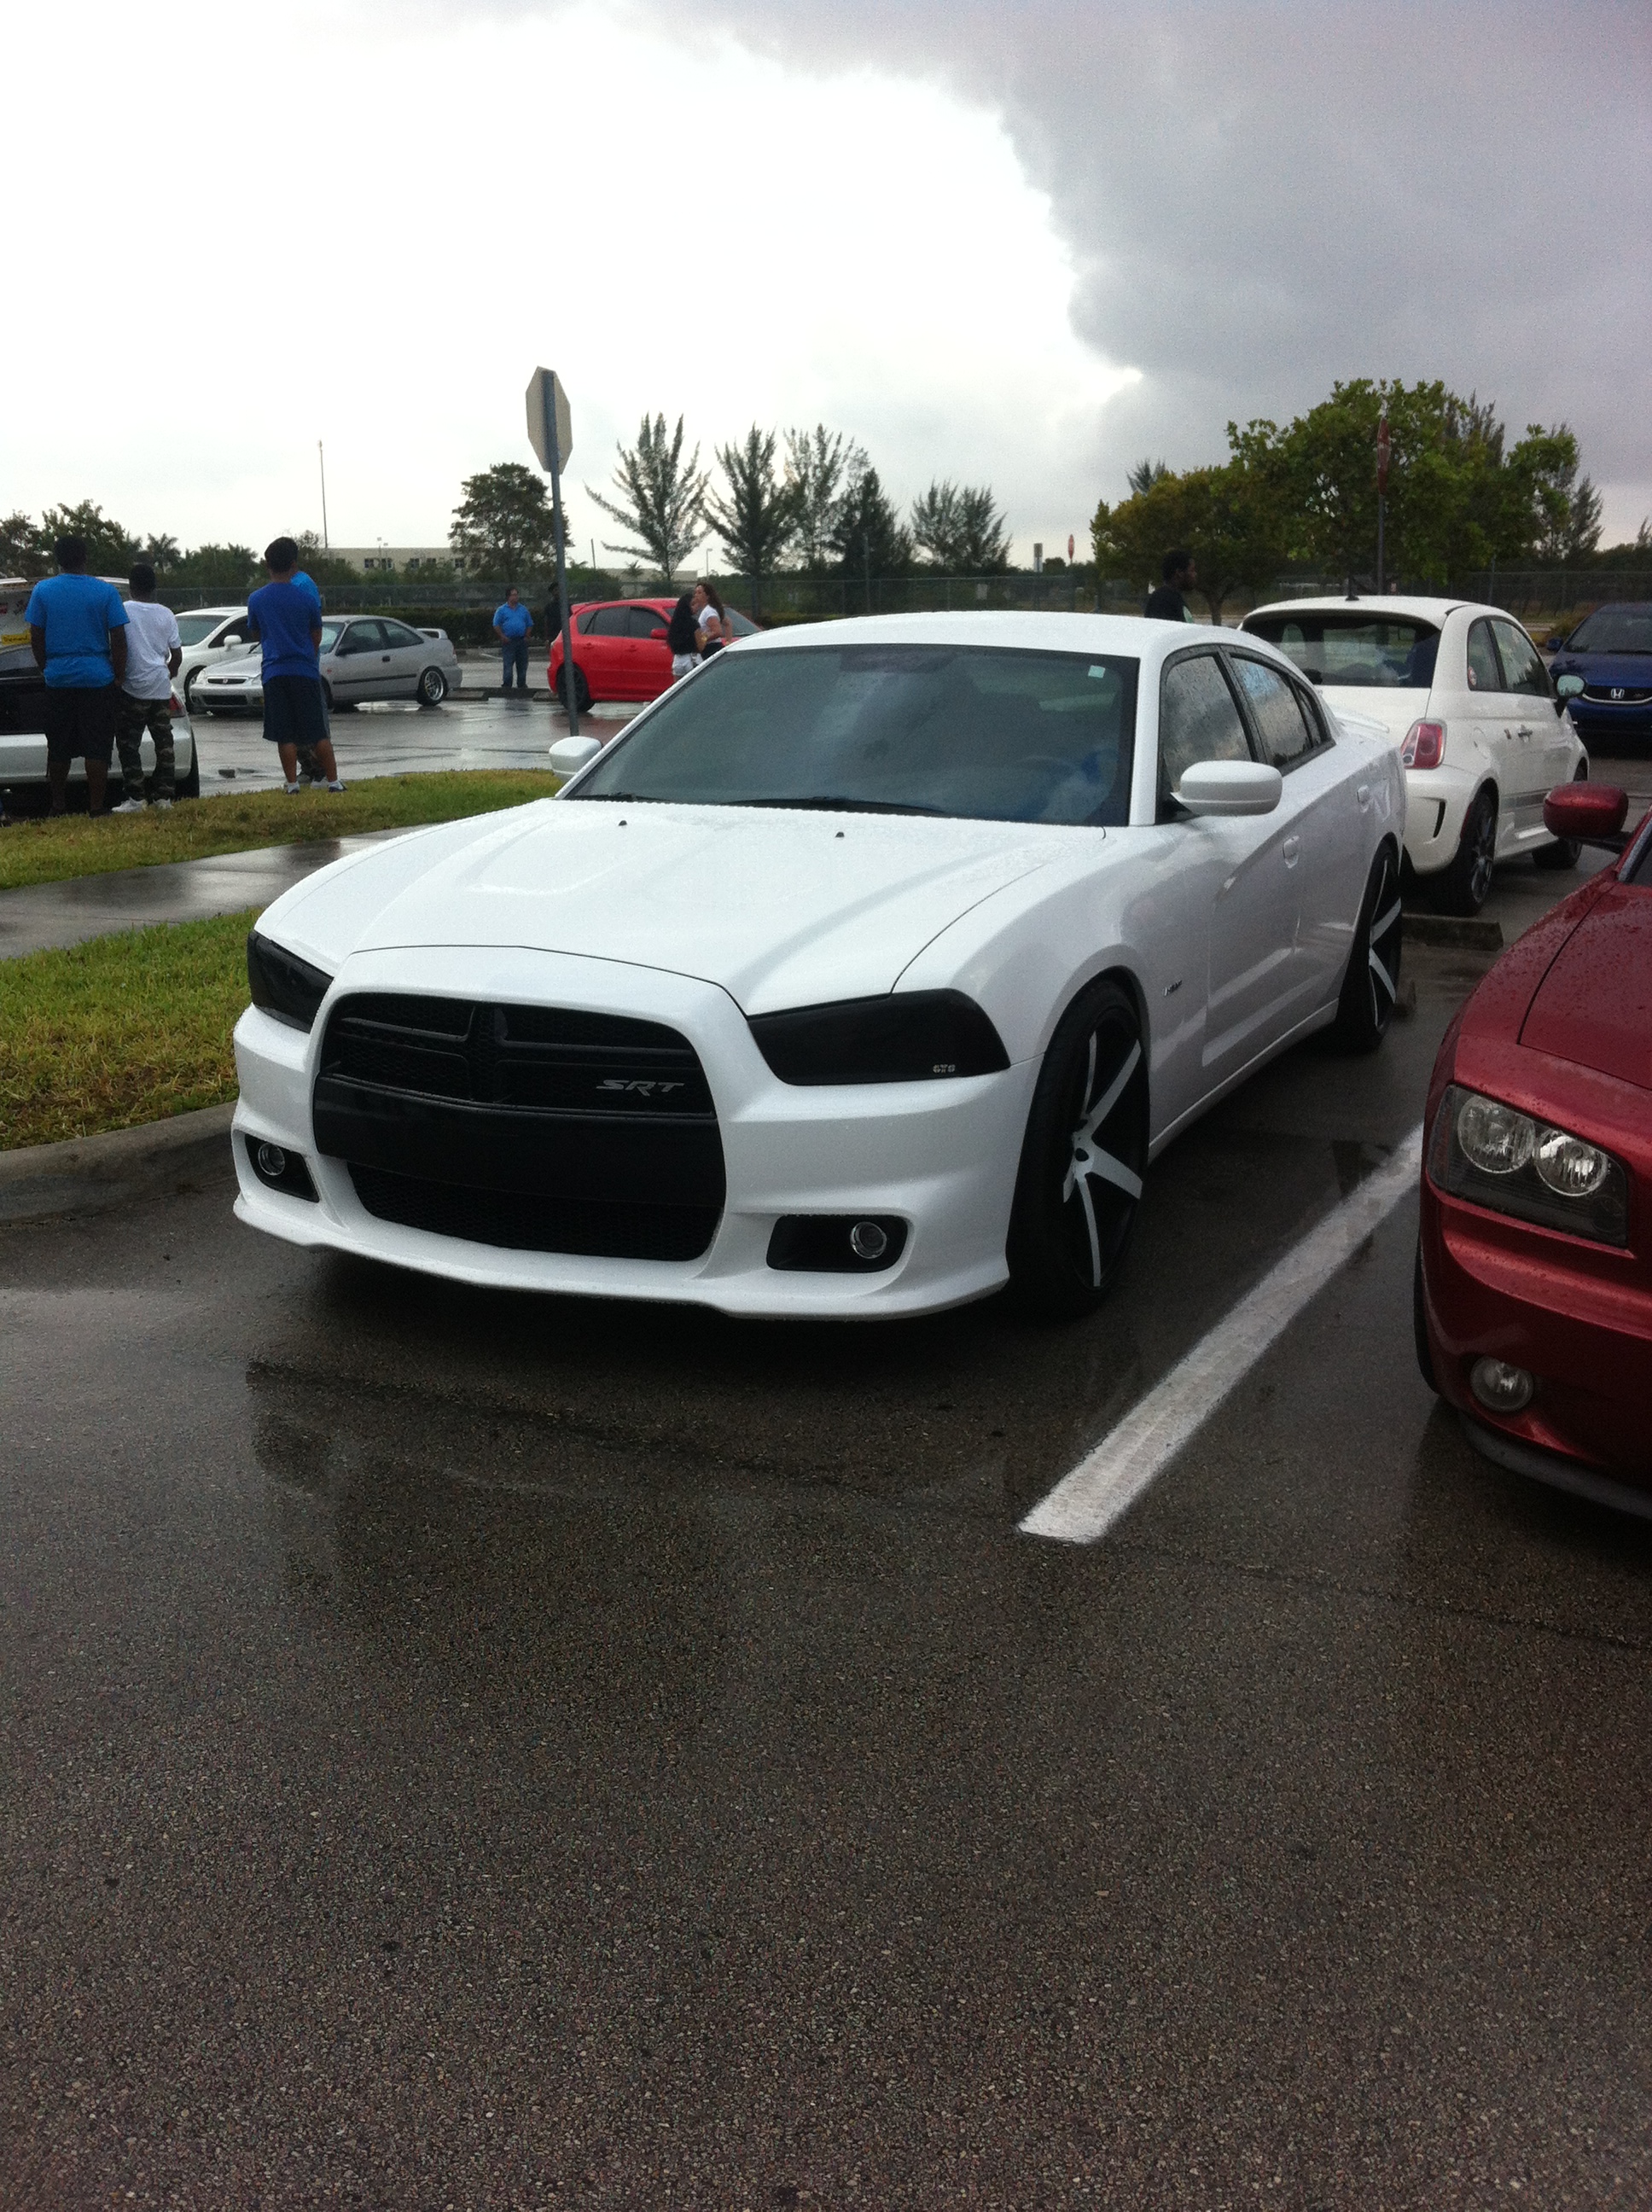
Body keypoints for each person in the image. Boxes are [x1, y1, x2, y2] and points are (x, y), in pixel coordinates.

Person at [26, 535, 129, 816]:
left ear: (57, 559)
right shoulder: (105, 592)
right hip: (97, 677)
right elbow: (118, 637)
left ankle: (58, 804)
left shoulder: (42, 591)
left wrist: (45, 666)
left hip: (58, 677)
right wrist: (118, 675)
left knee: (58, 745)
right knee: (97, 745)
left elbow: (36, 634)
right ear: (85, 558)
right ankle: (96, 807)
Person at [247, 536, 344, 795]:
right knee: (317, 730)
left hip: (275, 672)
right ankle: (333, 781)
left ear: (267, 565)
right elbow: (316, 634)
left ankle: (291, 784)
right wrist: (306, 655)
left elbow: (257, 632)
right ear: (293, 564)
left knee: (284, 733)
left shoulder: (256, 599)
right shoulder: (306, 597)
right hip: (304, 669)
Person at [112, 562, 182, 811]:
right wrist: (168, 674)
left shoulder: (122, 610)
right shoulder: (166, 613)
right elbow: (177, 654)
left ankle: (136, 798)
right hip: (160, 686)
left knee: (129, 744)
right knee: (164, 742)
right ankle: (164, 797)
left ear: (130, 586)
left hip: (133, 687)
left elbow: (117, 646)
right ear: (154, 587)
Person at [493, 586, 533, 694]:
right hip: (509, 641)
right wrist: (502, 636)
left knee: (522, 664)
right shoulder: (501, 610)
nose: (516, 597)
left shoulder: (523, 610)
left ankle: (521, 684)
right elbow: (496, 624)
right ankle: (507, 685)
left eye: (517, 594)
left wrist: (527, 636)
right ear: (508, 597)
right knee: (508, 664)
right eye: (513, 595)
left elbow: (529, 624)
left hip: (521, 641)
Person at [1144, 549, 1197, 622]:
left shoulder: (1176, 599)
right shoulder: (1162, 601)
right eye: (1192, 570)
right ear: (1179, 573)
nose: (1195, 574)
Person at [666, 590, 700, 680]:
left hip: (677, 660)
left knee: (678, 687)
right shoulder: (693, 624)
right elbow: (701, 645)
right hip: (692, 659)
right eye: (693, 604)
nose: (697, 607)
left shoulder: (675, 623)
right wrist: (706, 636)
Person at [693, 580, 728, 658]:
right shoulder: (704, 611)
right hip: (707, 648)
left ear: (707, 596)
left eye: (699, 593)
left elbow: (717, 632)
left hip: (712, 648)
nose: (696, 595)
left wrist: (702, 640)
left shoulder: (709, 611)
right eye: (695, 593)